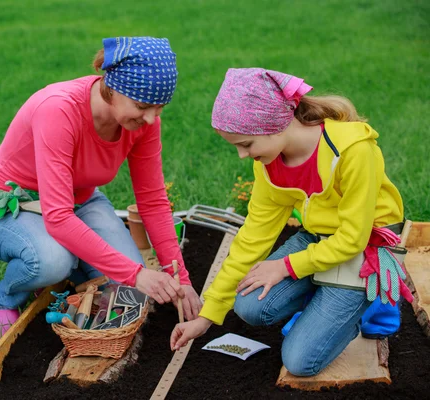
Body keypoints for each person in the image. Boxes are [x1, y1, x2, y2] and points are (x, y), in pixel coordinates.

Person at [170, 68, 411, 376]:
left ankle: (370, 303)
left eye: (246, 144)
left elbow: (353, 239)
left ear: (276, 124)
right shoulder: (269, 166)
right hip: (319, 239)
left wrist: (284, 266)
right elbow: (252, 239)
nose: (242, 156)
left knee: (300, 362)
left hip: (366, 250)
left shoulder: (354, 151)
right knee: (248, 305)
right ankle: (322, 299)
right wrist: (207, 316)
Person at [0, 36, 202, 339]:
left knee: (128, 290)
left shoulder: (144, 124)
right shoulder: (58, 110)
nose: (150, 118)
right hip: (9, 203)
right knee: (52, 261)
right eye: (143, 106)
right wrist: (137, 273)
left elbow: (153, 201)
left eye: (159, 109)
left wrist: (180, 277)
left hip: (78, 201)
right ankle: (7, 297)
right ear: (113, 88)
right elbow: (58, 217)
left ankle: (71, 264)